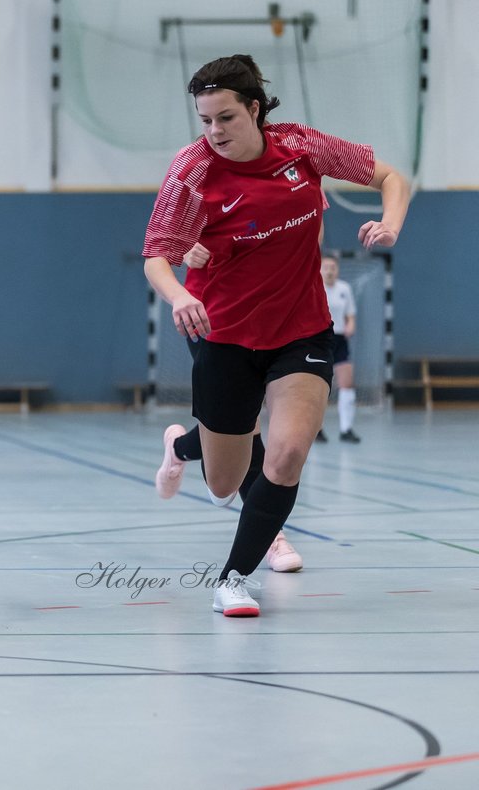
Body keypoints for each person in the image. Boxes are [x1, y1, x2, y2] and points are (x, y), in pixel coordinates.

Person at [142, 54, 407, 617]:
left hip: (301, 330)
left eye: (226, 118)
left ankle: (233, 579)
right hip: (224, 333)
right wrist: (181, 294)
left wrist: (390, 221)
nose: (214, 132)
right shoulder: (191, 169)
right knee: (223, 481)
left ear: (254, 110)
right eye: (205, 120)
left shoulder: (301, 147)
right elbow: (157, 259)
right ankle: (183, 446)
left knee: (285, 454)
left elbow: (391, 176)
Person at [154, 242, 303, 574]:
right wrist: (186, 250)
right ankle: (271, 535)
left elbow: (311, 228)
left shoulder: (303, 188)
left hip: (275, 311)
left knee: (238, 425)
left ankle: (178, 448)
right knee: (246, 419)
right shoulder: (192, 189)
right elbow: (160, 246)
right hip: (210, 315)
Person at [316, 254, 360, 443]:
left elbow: (350, 314)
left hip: (340, 339)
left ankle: (346, 429)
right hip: (319, 339)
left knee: (347, 382)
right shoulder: (315, 286)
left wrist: (351, 325)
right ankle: (316, 429)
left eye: (333, 267)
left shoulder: (344, 288)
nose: (330, 270)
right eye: (326, 267)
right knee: (317, 386)